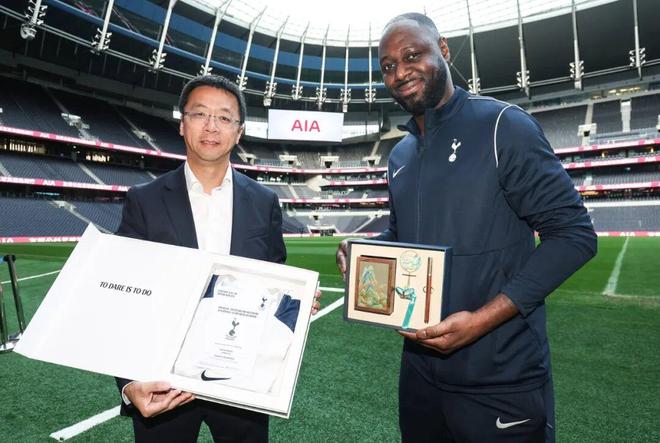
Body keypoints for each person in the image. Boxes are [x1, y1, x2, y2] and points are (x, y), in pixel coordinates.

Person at [336, 13, 597, 443]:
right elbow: (403, 239)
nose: (400, 72)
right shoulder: (400, 155)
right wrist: (363, 249)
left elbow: (573, 235)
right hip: (419, 375)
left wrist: (480, 321)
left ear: (443, 49)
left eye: (412, 55)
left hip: (500, 377)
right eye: (388, 66)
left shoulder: (503, 126)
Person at [115, 74, 319, 442]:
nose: (211, 126)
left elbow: (275, 278)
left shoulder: (264, 202)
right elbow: (122, 295)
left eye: (224, 117)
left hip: (242, 381)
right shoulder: (143, 200)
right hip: (163, 381)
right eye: (200, 114)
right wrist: (129, 384)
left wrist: (296, 302)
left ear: (239, 132)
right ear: (182, 124)